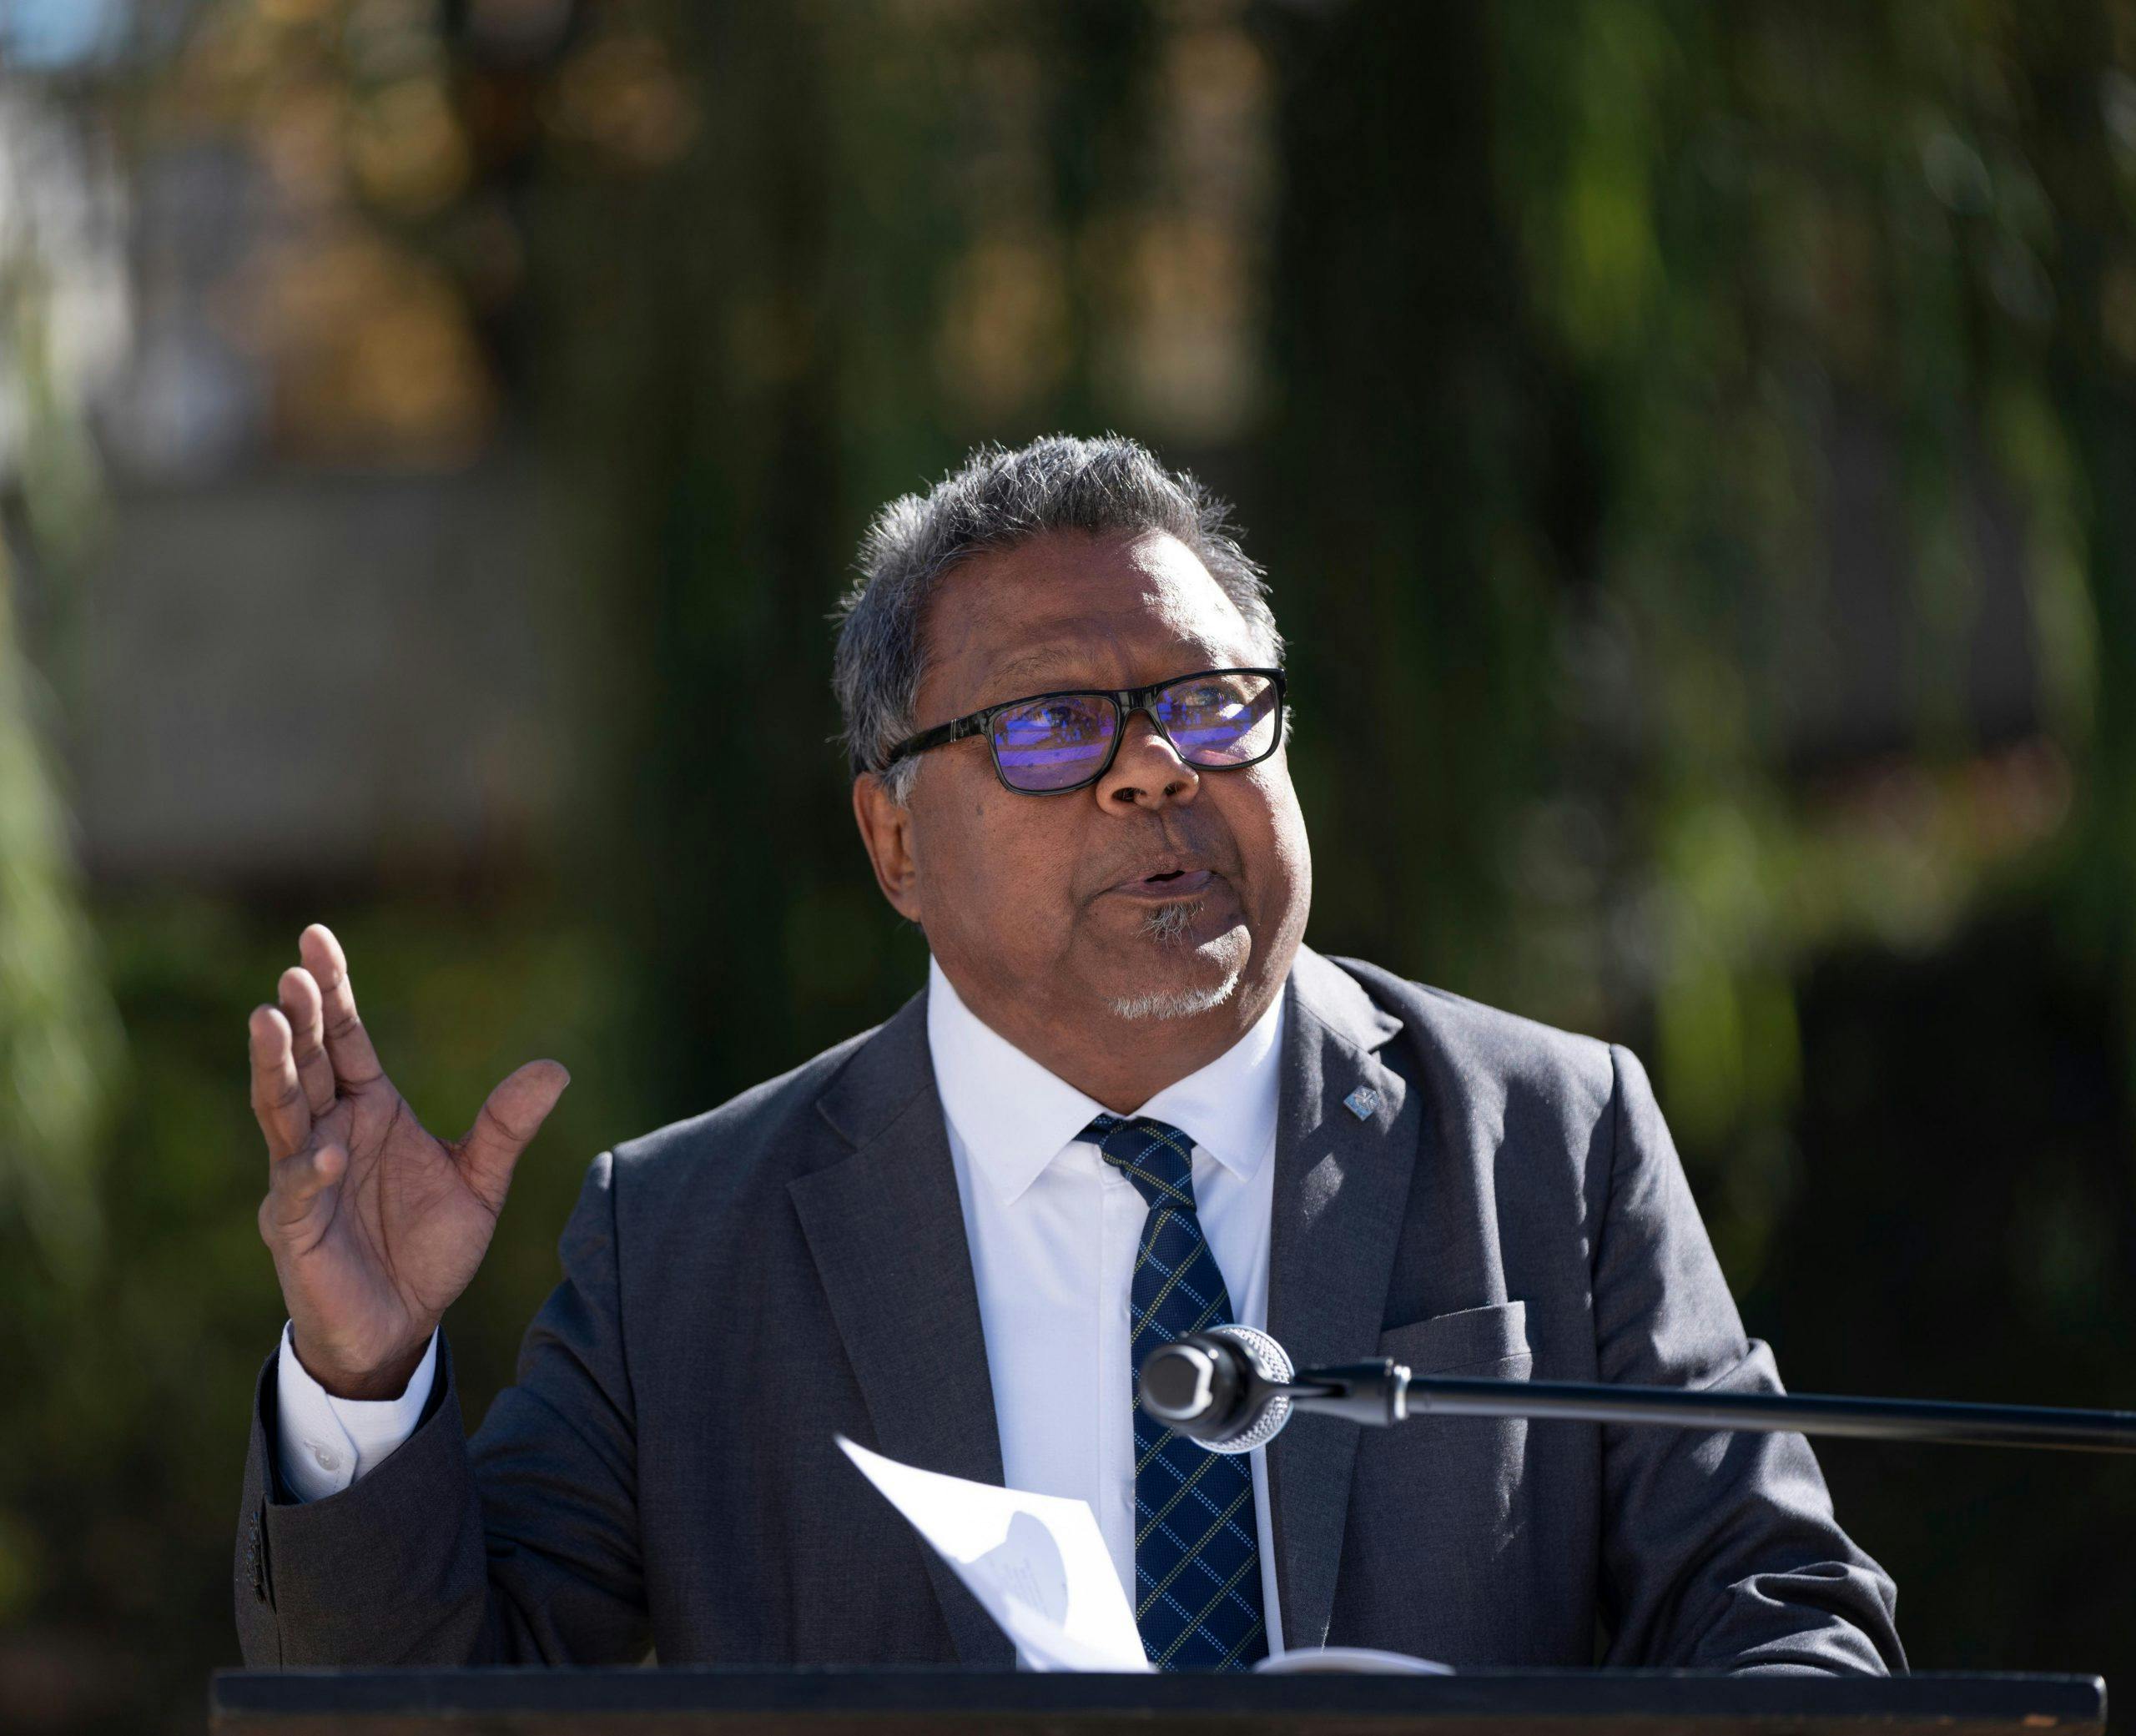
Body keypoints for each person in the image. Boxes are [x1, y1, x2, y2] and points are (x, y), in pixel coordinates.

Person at [236, 434, 1903, 1673]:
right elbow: (451, 1710)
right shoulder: (681, 1244)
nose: (1151, 774)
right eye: (1046, 726)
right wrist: (365, 1384)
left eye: (1206, 703)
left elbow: (1789, 1624)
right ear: (892, 840)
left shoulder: (1549, 1140)